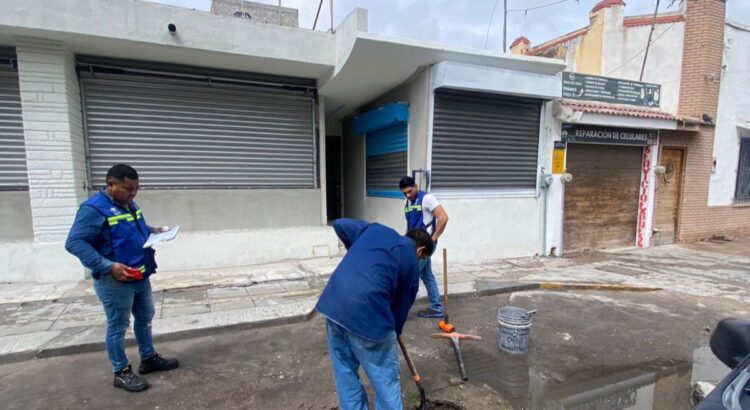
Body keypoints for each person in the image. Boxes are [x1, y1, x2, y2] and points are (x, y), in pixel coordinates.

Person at [65, 164, 179, 392]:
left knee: (145, 317)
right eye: (128, 188)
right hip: (115, 280)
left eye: (136, 189)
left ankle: (148, 358)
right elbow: (74, 243)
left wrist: (152, 230)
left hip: (139, 274)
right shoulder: (93, 209)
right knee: (118, 326)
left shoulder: (126, 203)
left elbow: (130, 227)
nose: (133, 193)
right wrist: (108, 266)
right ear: (111, 185)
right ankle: (121, 371)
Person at [315, 218, 434, 410]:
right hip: (367, 316)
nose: (420, 262)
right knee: (385, 381)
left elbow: (339, 224)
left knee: (345, 374)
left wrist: (358, 253)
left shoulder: (376, 230)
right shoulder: (411, 261)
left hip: (333, 307)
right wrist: (395, 332)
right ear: (420, 251)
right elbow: (401, 310)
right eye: (423, 259)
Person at [399, 176, 449, 319]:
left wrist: (432, 240)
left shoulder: (427, 198)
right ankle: (436, 307)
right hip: (414, 246)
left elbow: (444, 217)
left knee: (409, 277)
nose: (408, 195)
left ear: (415, 186)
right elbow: (410, 226)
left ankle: (398, 311)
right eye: (404, 193)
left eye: (409, 191)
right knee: (426, 275)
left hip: (424, 246)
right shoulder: (408, 203)